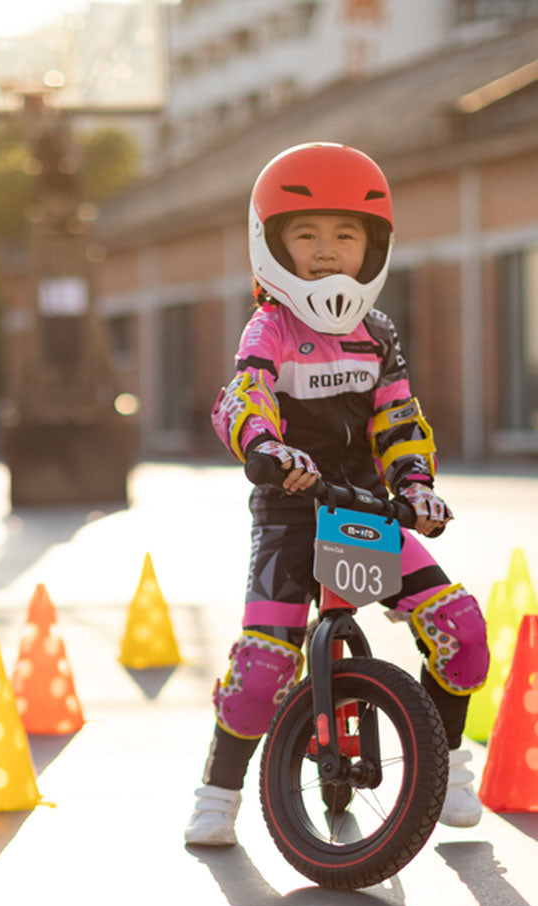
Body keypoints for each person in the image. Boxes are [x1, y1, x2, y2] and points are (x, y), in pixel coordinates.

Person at [185, 142, 489, 846]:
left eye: (345, 235)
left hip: (364, 512)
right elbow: (243, 396)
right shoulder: (270, 327)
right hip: (292, 512)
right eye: (307, 234)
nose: (327, 252)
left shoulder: (377, 333)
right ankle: (217, 790)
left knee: (463, 630)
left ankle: (447, 767)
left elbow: (401, 420)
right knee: (263, 668)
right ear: (274, 246)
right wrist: (263, 446)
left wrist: (417, 486)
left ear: (372, 246)